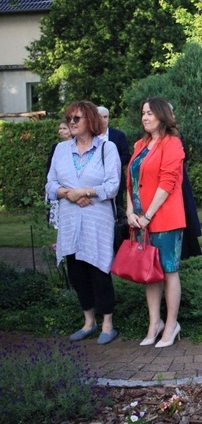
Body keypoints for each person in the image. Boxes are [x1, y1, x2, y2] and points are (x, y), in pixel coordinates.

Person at [46, 100, 121, 344]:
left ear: (91, 121)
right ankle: (89, 321)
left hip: (96, 221)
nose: (72, 122)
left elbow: (112, 185)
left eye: (77, 118)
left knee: (99, 270)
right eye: (70, 118)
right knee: (77, 272)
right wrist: (70, 194)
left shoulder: (106, 149)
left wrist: (85, 191)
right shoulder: (60, 149)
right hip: (70, 222)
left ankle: (108, 324)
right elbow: (50, 184)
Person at [126, 97, 186, 348]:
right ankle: (154, 324)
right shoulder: (140, 144)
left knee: (169, 271)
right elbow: (130, 181)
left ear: (162, 115)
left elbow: (168, 182)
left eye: (150, 113)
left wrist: (148, 214)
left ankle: (171, 325)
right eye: (143, 113)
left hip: (164, 218)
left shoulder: (172, 143)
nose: (145, 117)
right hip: (140, 221)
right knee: (150, 274)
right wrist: (130, 211)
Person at [97, 106, 131, 208]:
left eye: (105, 117)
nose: (103, 120)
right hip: (96, 179)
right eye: (100, 117)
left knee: (118, 209)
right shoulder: (90, 136)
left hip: (116, 179)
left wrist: (112, 164)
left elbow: (126, 155)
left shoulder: (118, 135)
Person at [46, 120, 74, 228]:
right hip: (59, 186)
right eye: (60, 128)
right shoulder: (56, 147)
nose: (61, 131)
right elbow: (50, 167)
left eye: (64, 128)